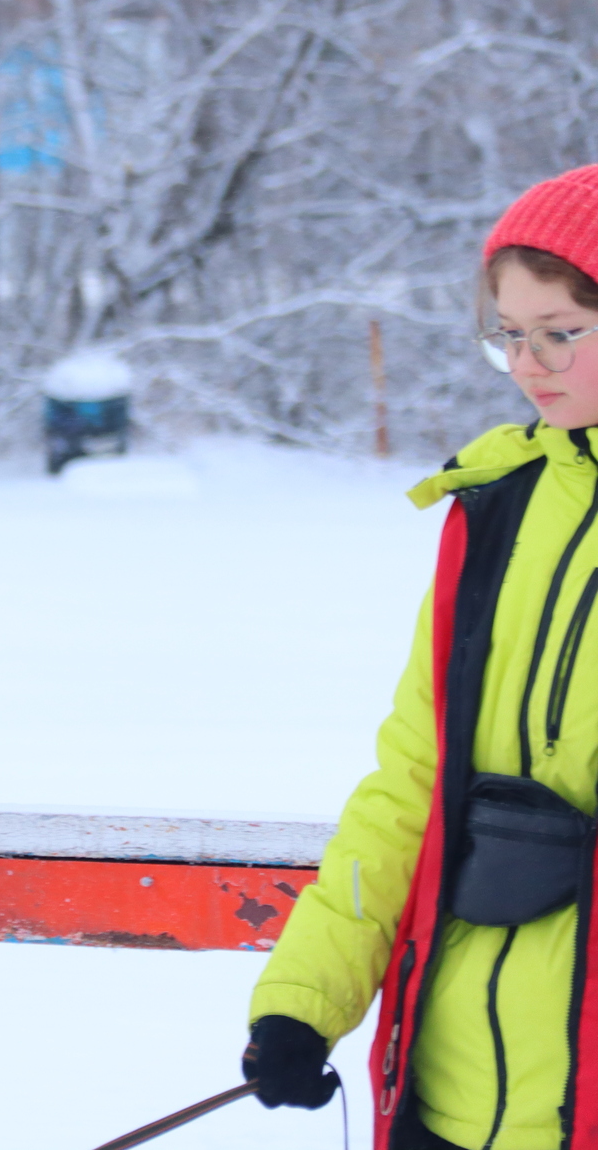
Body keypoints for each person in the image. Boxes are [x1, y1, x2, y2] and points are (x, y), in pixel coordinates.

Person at [246, 164, 598, 1150]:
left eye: (559, 332)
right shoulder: (494, 511)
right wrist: (302, 999)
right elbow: (411, 779)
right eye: (507, 334)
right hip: (441, 1097)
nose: (528, 362)